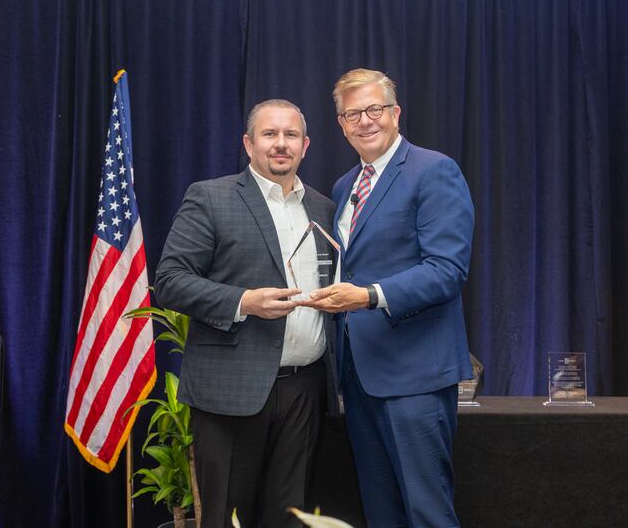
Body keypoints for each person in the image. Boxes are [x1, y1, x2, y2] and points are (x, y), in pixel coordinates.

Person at [301, 69, 475, 527]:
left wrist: (368, 296)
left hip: (414, 374)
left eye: (374, 109)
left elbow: (447, 270)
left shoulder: (433, 170)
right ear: (340, 124)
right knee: (381, 512)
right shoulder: (344, 187)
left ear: (395, 113)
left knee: (427, 512)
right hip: (358, 376)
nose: (365, 121)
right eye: (352, 113)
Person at [155, 99, 337, 528]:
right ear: (248, 143)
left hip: (305, 391)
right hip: (230, 391)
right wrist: (244, 302)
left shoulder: (325, 208)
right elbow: (171, 280)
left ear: (306, 145)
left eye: (290, 135)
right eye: (269, 134)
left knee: (291, 518)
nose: (280, 144)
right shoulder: (211, 197)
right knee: (226, 518)